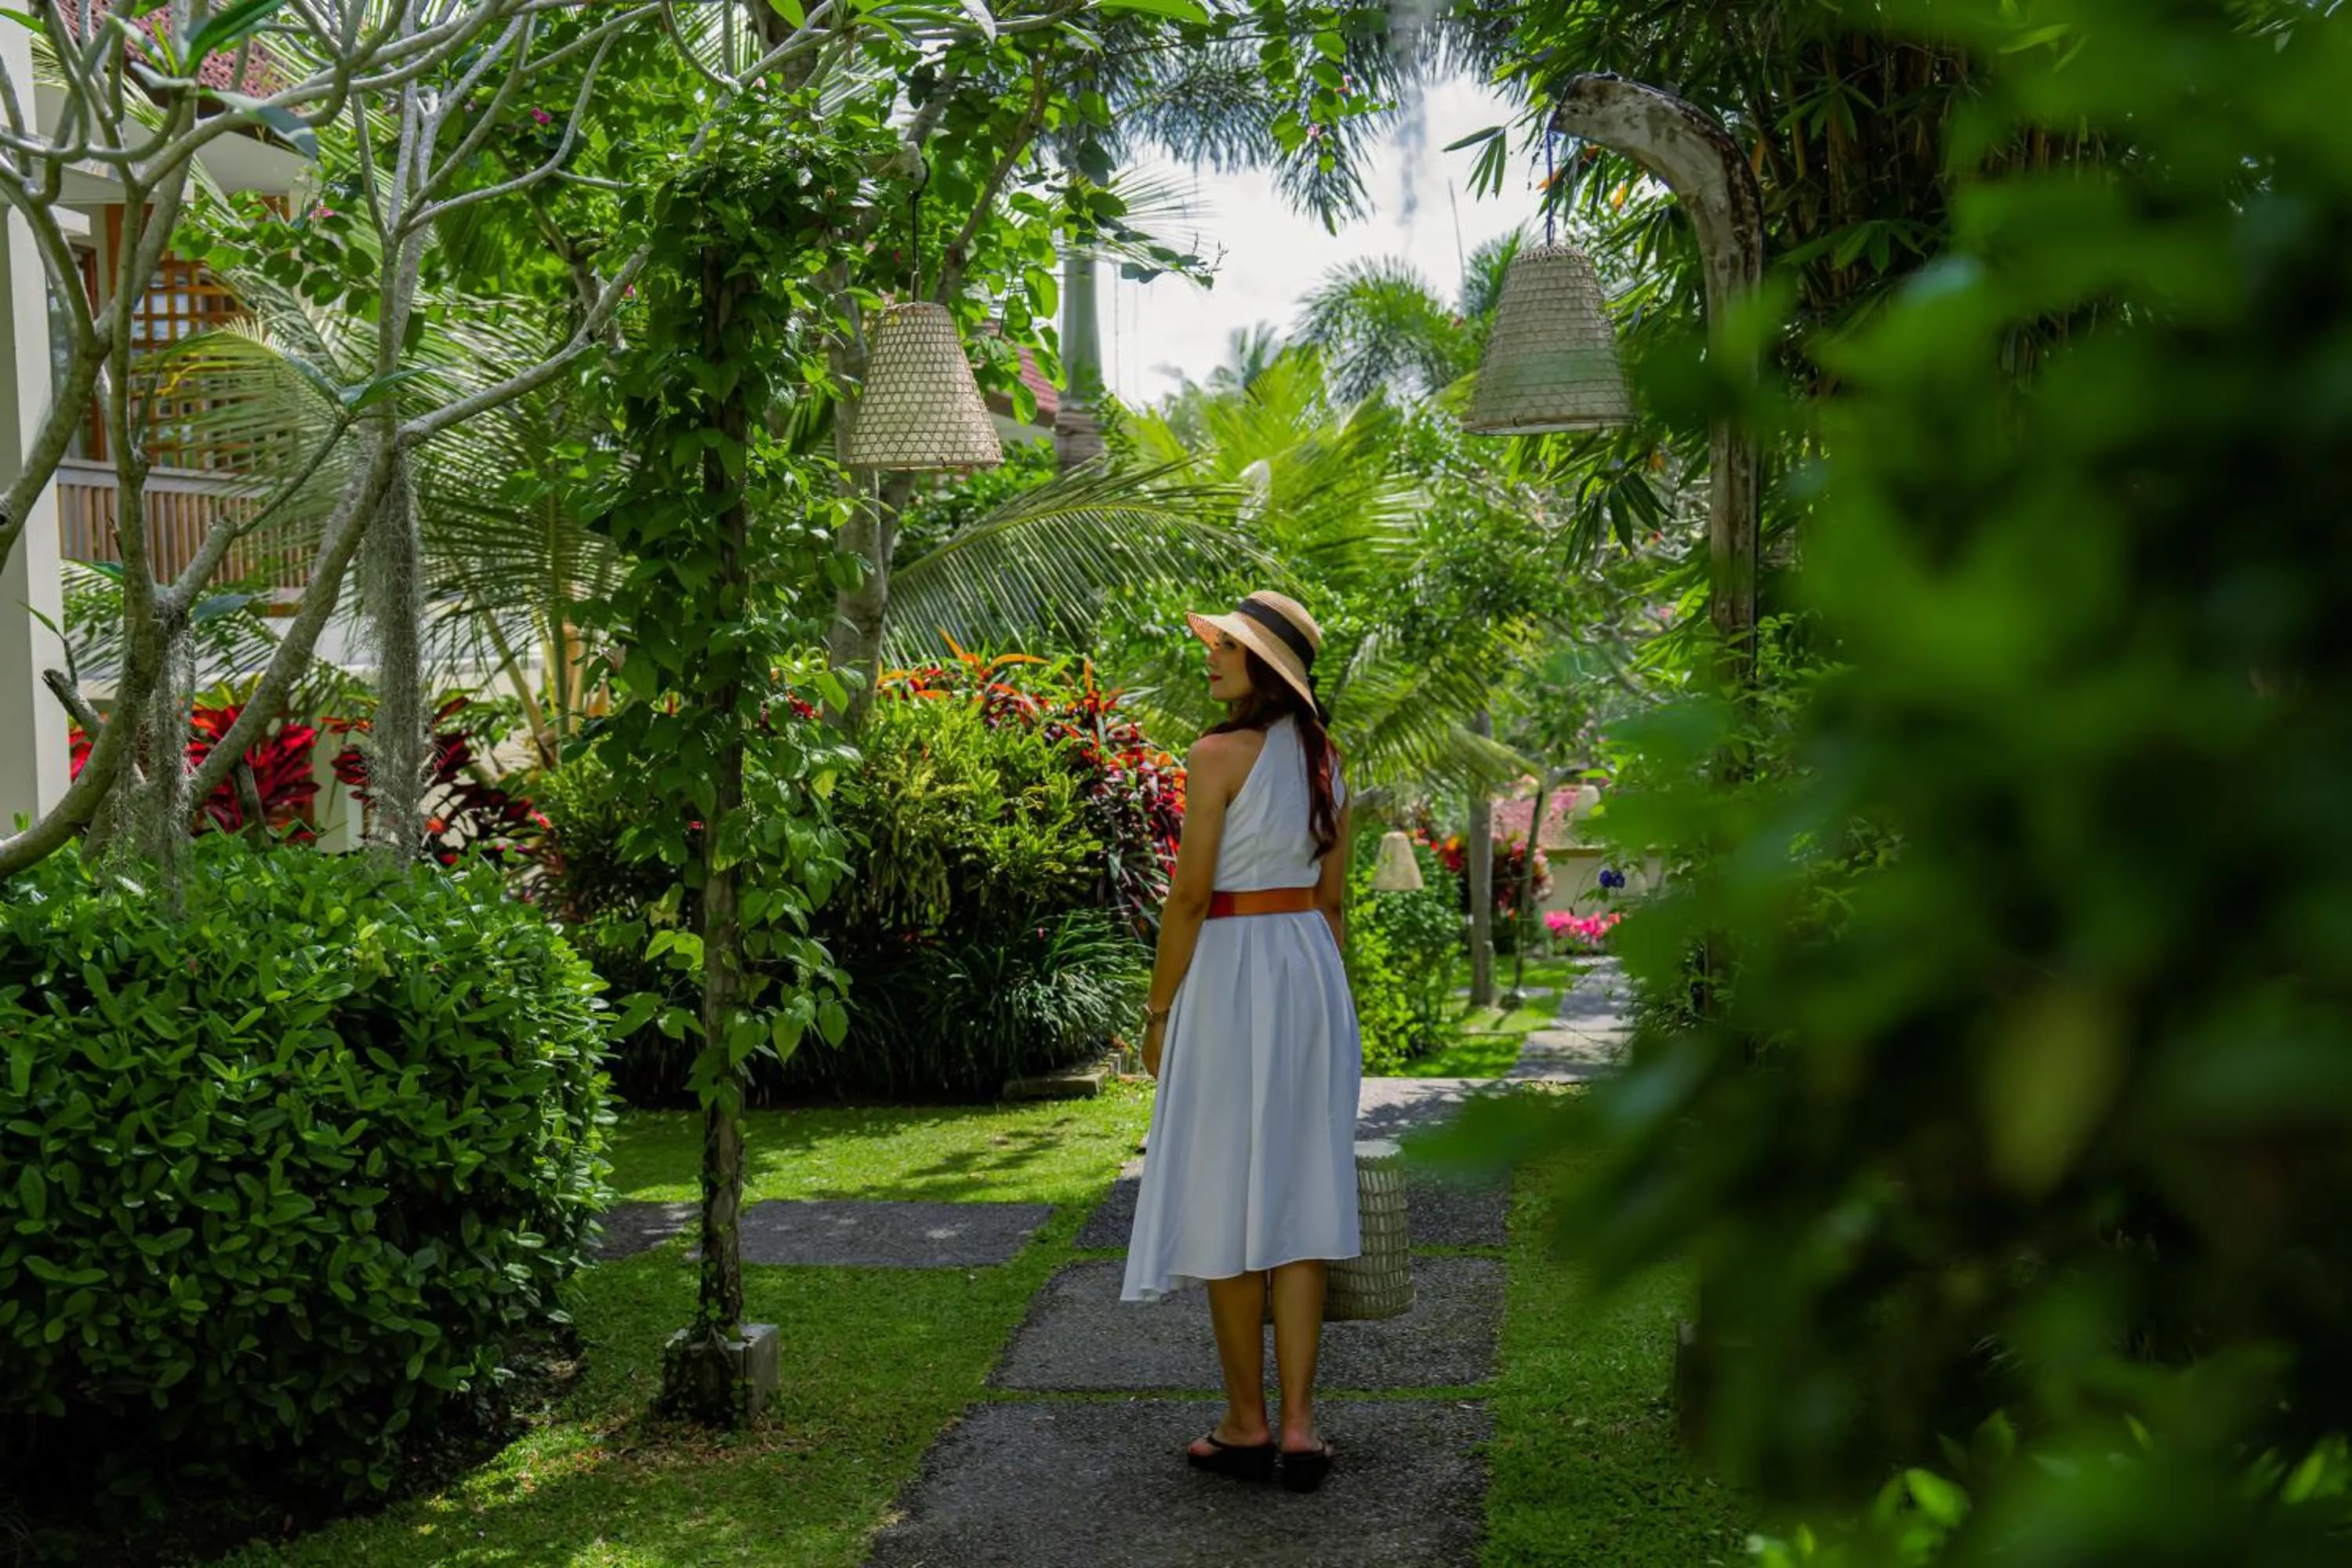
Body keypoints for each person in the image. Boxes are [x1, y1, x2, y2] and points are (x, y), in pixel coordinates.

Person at [1121, 589, 1362, 1495]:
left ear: (1264, 665)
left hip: (1229, 971)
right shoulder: (1328, 761)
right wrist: (1330, 1010)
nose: (1211, 655)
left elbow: (1189, 895)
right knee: (1301, 1195)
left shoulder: (1215, 755)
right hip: (1308, 969)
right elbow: (1331, 900)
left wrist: (1157, 1012)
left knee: (1225, 1187)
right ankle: (1300, 1426)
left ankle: (1246, 1422)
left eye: (1227, 646)